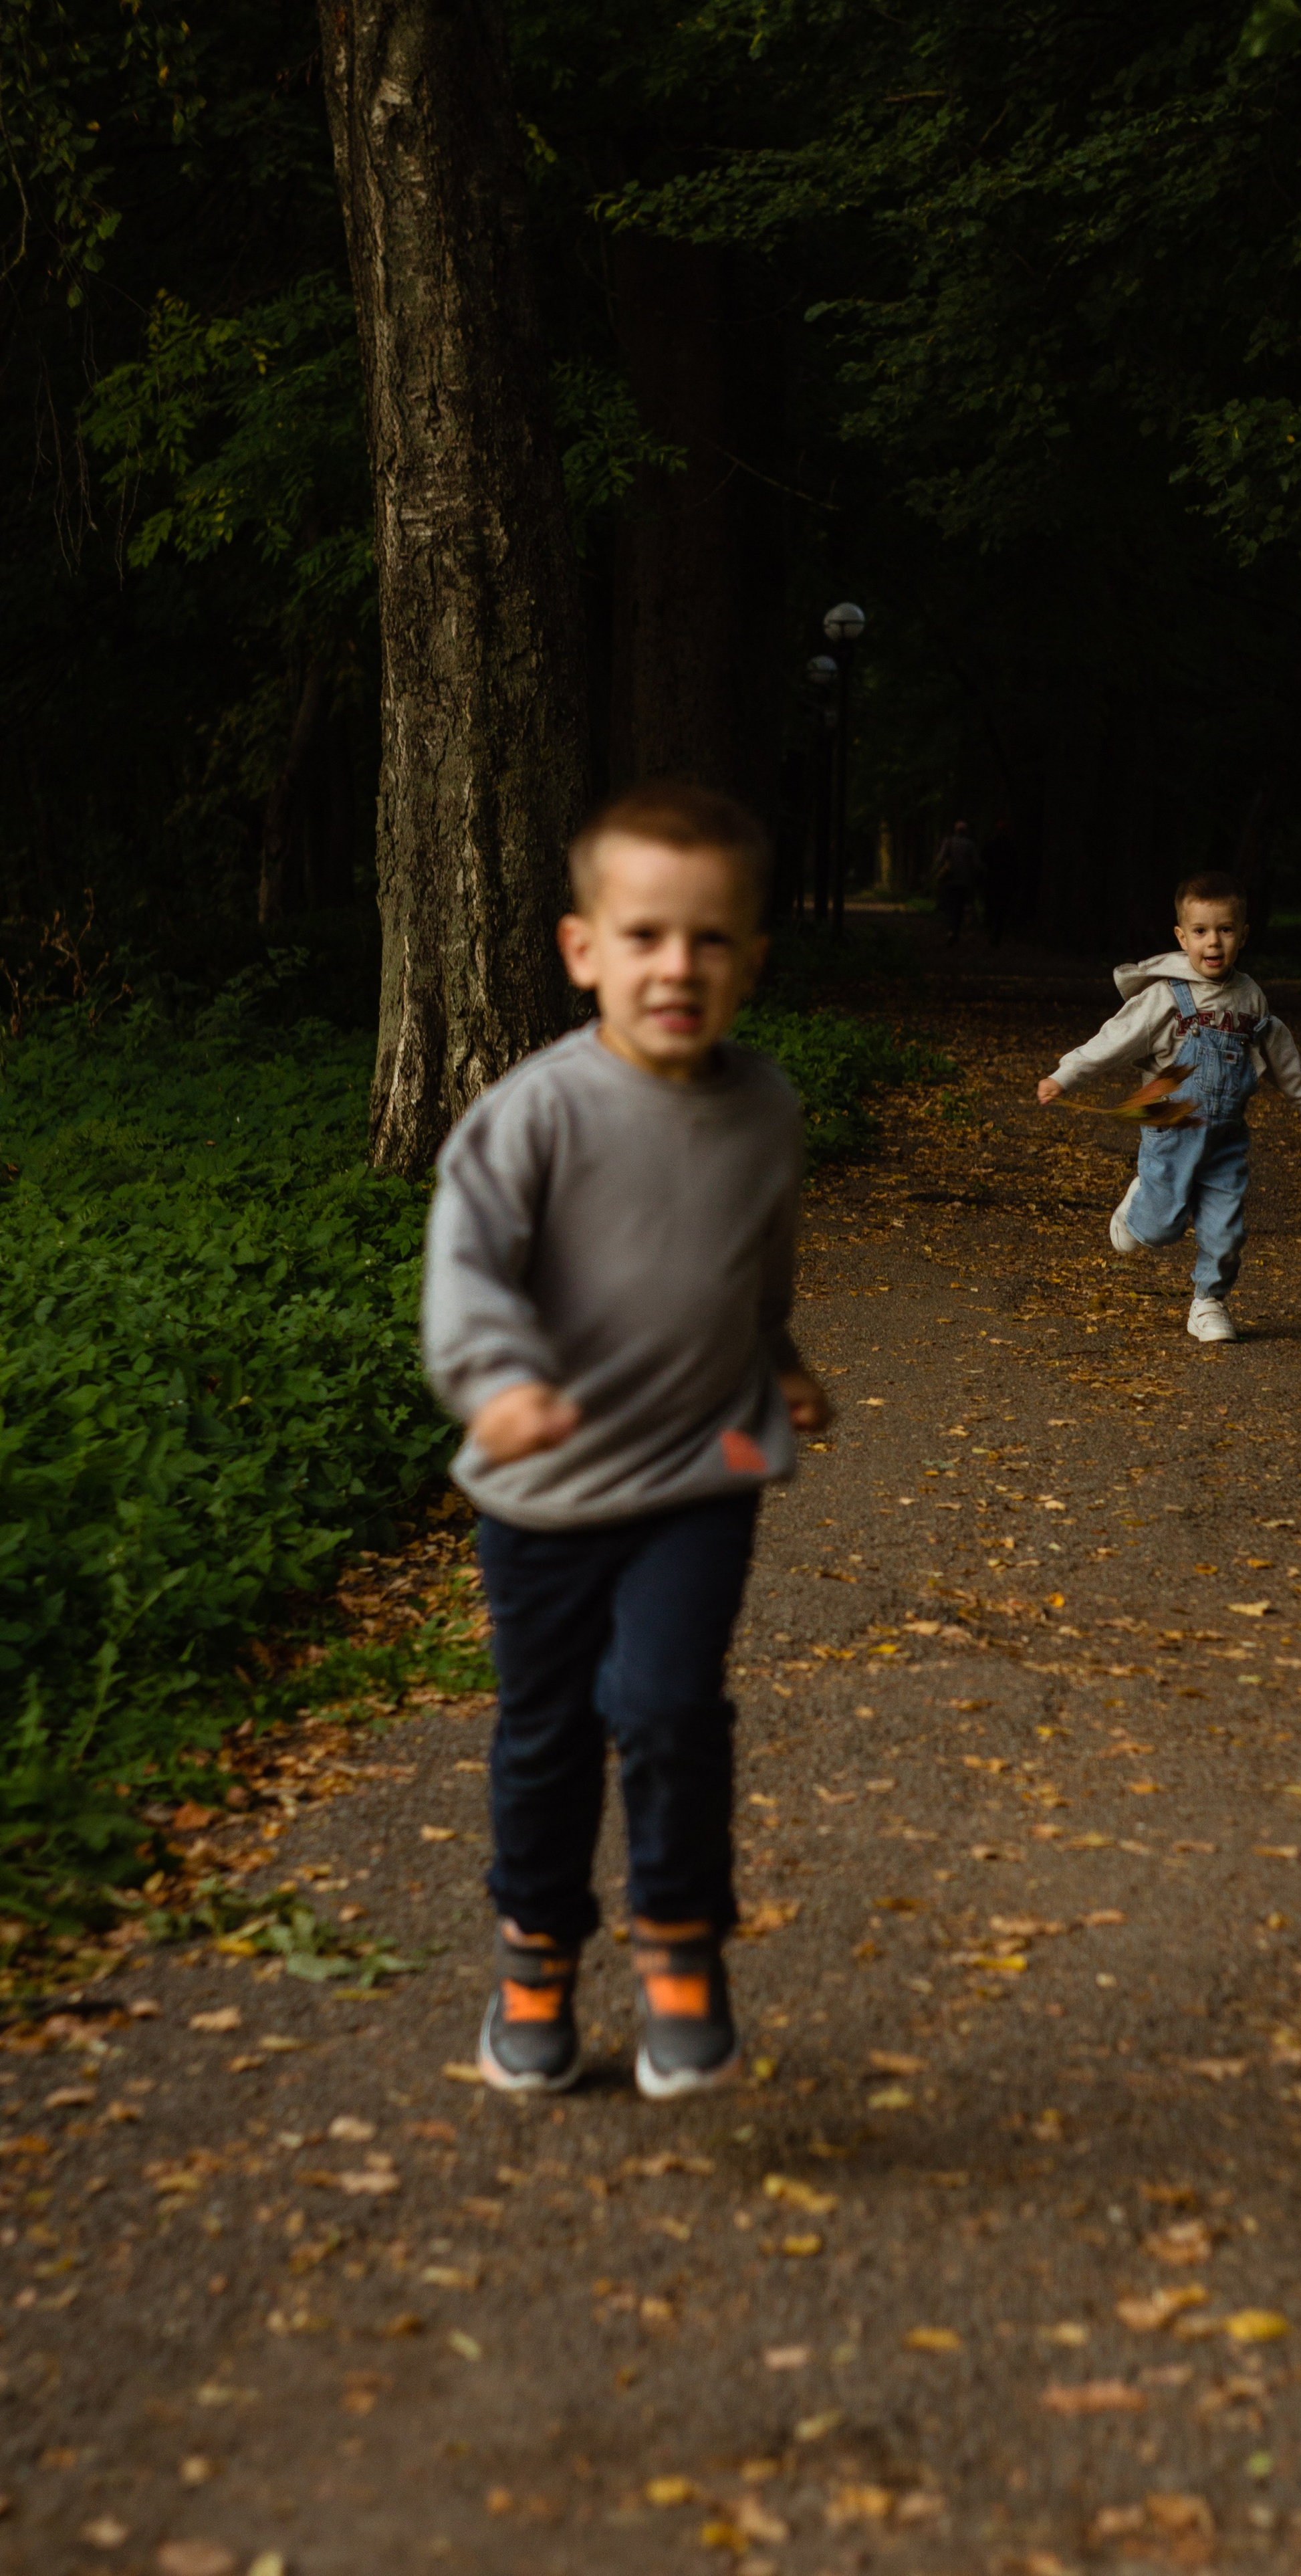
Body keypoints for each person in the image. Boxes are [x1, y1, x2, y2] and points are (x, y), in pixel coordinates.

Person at [421, 782, 831, 2101]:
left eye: (710, 940)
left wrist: (776, 1359)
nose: (677, 965)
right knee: (545, 1737)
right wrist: (495, 1381)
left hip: (698, 1471)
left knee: (665, 1709)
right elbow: (468, 1264)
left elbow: (745, 1267)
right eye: (645, 935)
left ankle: (677, 1950)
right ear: (581, 949)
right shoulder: (531, 1116)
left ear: (751, 961)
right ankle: (534, 1961)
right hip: (541, 1490)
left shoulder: (764, 1108)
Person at [1035, 869, 1301, 1342]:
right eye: (1201, 932)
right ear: (1181, 936)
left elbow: (1280, 1054)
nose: (1213, 943)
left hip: (1226, 1141)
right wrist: (1065, 1075)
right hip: (1171, 1127)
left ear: (1244, 935)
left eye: (1226, 930)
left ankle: (1209, 1303)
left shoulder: (1250, 999)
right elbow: (1114, 1039)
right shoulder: (1167, 997)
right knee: (1159, 1229)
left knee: (1227, 1233)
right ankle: (1137, 1210)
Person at [933, 819, 981, 944]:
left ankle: (951, 930)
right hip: (964, 882)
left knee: (951, 906)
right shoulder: (970, 845)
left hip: (950, 880)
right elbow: (976, 864)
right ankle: (956, 930)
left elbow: (940, 859)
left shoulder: (948, 842)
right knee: (960, 907)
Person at [981, 817, 1020, 947]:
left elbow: (983, 860)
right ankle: (996, 934)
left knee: (993, 906)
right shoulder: (1011, 846)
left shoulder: (991, 844)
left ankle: (992, 932)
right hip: (1004, 882)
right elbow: (1015, 866)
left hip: (993, 881)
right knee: (1001, 909)